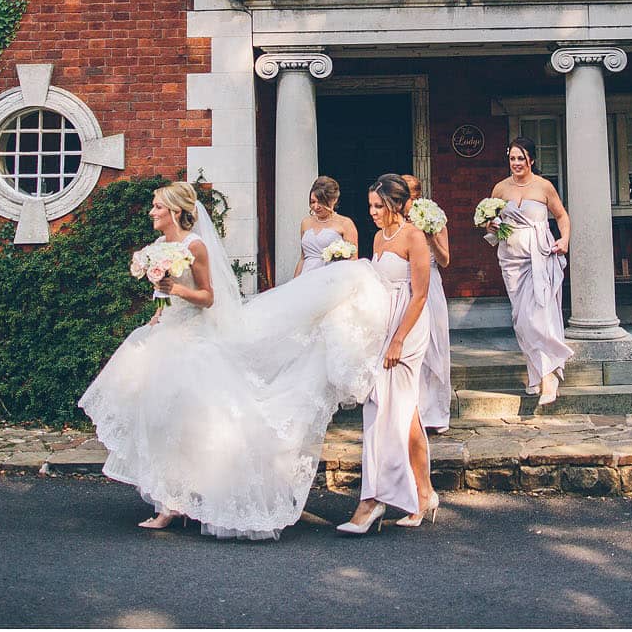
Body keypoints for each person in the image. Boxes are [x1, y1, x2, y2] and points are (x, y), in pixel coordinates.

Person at [80, 181, 390, 540]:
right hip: (165, 334)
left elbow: (208, 296)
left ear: (176, 211)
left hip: (192, 342)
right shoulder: (161, 247)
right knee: (161, 422)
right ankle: (169, 503)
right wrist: (159, 311)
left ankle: (180, 502)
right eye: (154, 206)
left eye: (158, 207)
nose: (152, 212)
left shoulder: (194, 245)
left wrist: (176, 290)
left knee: (189, 423)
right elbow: (163, 295)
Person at [338, 174, 437, 534]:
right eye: (370, 207)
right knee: (400, 412)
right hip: (383, 327)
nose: (372, 213)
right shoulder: (379, 238)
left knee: (385, 411)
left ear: (395, 204)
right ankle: (423, 493)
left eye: (378, 206)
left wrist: (397, 340)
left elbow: (421, 295)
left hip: (408, 330)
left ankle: (372, 499)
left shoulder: (414, 236)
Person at [487, 137, 574, 407]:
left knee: (540, 317)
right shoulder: (500, 188)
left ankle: (549, 378)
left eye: (521, 158)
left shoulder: (544, 186)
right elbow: (491, 221)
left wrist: (564, 240)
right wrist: (490, 225)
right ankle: (534, 373)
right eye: (512, 158)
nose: (516, 163)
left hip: (540, 256)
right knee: (522, 321)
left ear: (531, 160)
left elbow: (561, 216)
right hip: (512, 260)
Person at [402, 173, 452, 432]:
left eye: (408, 195)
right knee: (411, 347)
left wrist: (431, 235)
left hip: (430, 285)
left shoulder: (434, 216)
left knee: (435, 345)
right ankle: (413, 412)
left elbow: (444, 260)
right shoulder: (395, 221)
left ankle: (435, 413)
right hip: (404, 285)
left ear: (417, 196)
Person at [295, 175, 358, 278]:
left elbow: (353, 259)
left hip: (331, 278)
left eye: (321, 202)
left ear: (334, 200)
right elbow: (303, 258)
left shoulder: (345, 223)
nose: (316, 206)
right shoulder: (305, 223)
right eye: (312, 202)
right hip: (306, 277)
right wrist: (294, 282)